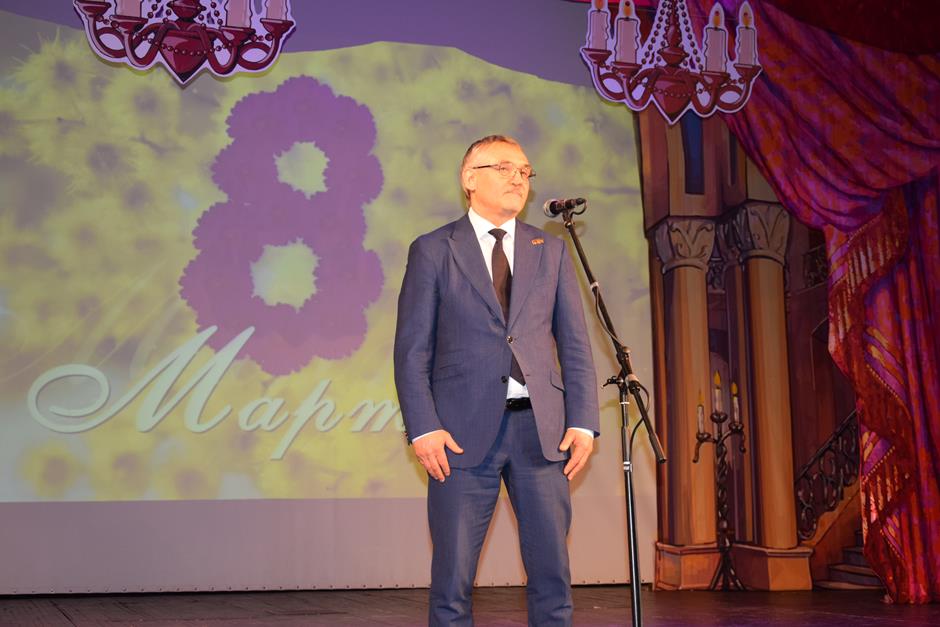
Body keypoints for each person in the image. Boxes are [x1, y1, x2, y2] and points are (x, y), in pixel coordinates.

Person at [393, 135, 599, 626]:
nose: (518, 178)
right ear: (470, 179)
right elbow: (412, 350)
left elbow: (574, 344)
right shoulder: (433, 250)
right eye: (504, 168)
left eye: (525, 171)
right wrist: (423, 428)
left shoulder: (550, 249)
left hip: (541, 433)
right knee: (453, 583)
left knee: (553, 578)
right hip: (459, 436)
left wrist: (583, 422)